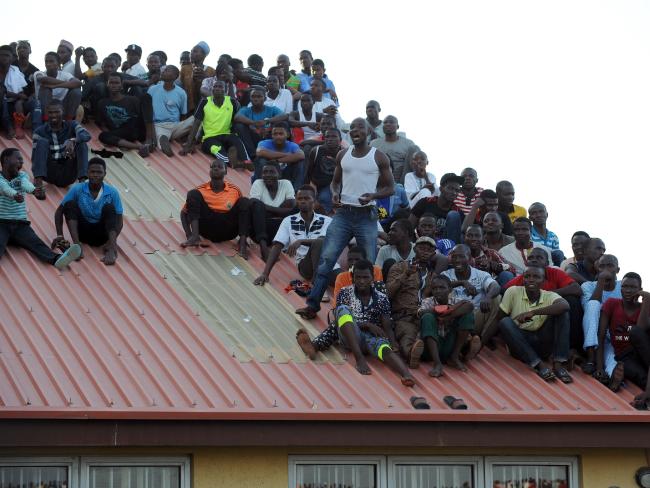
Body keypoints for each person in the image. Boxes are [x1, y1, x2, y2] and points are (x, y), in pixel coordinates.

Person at [295, 117, 394, 319]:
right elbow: (335, 182)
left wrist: (373, 196)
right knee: (326, 259)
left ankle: (371, 312)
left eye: (360, 127)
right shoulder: (343, 154)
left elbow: (390, 187)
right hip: (344, 214)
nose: (356, 130)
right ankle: (312, 306)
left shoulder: (379, 157)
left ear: (368, 132)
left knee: (369, 265)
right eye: (353, 128)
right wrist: (334, 193)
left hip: (367, 215)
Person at [0, 148, 80, 268]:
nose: (21, 163)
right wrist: (15, 194)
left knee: (37, 244)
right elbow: (4, 188)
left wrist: (34, 190)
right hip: (1, 223)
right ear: (6, 159)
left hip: (20, 225)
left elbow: (25, 184)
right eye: (18, 159)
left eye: (22, 160)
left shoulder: (22, 176)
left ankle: (57, 259)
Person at [498, 265, 573, 383]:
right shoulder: (513, 291)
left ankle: (558, 364)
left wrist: (533, 312)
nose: (531, 279)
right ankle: (539, 366)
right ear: (523, 279)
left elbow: (565, 306)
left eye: (536, 277)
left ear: (543, 281)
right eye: (527, 276)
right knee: (505, 322)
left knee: (563, 313)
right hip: (520, 345)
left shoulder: (548, 295)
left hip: (543, 343)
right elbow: (500, 319)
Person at [254, 184, 338, 286]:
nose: (302, 201)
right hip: (306, 266)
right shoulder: (288, 221)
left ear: (314, 201)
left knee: (348, 281)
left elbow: (326, 241)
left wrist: (301, 241)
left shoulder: (327, 221)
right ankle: (317, 285)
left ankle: (321, 281)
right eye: (299, 199)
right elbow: (277, 246)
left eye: (307, 198)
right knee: (318, 243)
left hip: (329, 264)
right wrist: (265, 274)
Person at [503, 247, 583, 350]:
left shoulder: (555, 273)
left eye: (539, 257)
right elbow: (504, 291)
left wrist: (548, 295)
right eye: (531, 257)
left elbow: (577, 289)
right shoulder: (523, 277)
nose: (534, 260)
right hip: (526, 323)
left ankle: (571, 348)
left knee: (572, 301)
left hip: (550, 322)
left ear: (547, 263)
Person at [52, 158, 123, 265]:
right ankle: (77, 247)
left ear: (105, 174)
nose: (95, 175)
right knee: (69, 204)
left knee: (110, 208)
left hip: (102, 235)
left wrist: (110, 244)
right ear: (87, 172)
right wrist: (60, 236)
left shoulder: (112, 192)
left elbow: (119, 221)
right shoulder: (77, 189)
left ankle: (112, 251)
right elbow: (59, 212)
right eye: (92, 171)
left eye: (99, 172)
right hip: (83, 233)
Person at [180, 159, 252, 258]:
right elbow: (184, 213)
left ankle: (243, 244)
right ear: (209, 171)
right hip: (207, 228)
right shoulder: (200, 190)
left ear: (226, 171)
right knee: (192, 193)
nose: (216, 169)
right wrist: (189, 234)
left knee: (245, 201)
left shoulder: (234, 190)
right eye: (213, 167)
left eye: (219, 167)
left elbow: (243, 213)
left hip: (228, 229)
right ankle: (195, 237)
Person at [386, 236, 439, 368]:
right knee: (407, 336)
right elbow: (388, 293)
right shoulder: (399, 267)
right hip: (404, 316)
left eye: (429, 250)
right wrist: (406, 274)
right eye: (422, 248)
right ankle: (411, 355)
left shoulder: (433, 275)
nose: (425, 252)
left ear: (433, 253)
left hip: (425, 315)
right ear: (415, 249)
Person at [596, 273, 650, 392]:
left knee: (635, 331)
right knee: (641, 378)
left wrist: (647, 301)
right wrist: (599, 367)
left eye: (633, 287)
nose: (628, 290)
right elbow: (601, 336)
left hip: (643, 352)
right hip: (624, 356)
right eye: (625, 286)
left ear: (640, 290)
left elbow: (639, 332)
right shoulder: (612, 304)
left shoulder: (644, 307)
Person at [442, 244, 502, 349]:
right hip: (453, 318)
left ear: (469, 259)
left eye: (461, 256)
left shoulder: (480, 275)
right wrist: (462, 282)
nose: (457, 260)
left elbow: (495, 286)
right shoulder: (446, 275)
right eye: (454, 256)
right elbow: (439, 286)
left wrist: (488, 297)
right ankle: (468, 342)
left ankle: (482, 339)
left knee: (496, 298)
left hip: (475, 318)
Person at [181, 80, 249, 168]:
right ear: (212, 89)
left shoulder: (233, 103)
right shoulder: (205, 102)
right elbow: (196, 124)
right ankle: (230, 161)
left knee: (237, 141)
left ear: (225, 90)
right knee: (217, 149)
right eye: (215, 86)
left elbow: (236, 121)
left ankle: (246, 161)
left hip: (227, 134)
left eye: (220, 87)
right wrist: (189, 144)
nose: (217, 88)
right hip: (209, 137)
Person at [418, 275, 476, 376]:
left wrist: (449, 315)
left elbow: (469, 306)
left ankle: (455, 356)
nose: (438, 291)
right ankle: (437, 363)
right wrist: (437, 311)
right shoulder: (427, 301)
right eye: (435, 288)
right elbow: (421, 312)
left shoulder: (455, 300)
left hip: (449, 345)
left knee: (468, 315)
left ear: (450, 289)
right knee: (427, 317)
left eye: (442, 288)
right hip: (432, 348)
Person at [32, 100, 90, 190]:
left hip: (68, 172)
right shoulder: (39, 131)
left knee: (82, 144)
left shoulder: (72, 125)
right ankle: (38, 182)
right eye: (50, 112)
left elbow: (86, 135)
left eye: (57, 112)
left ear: (63, 111)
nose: (54, 115)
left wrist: (73, 140)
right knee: (42, 142)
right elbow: (34, 158)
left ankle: (83, 182)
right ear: (47, 113)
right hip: (49, 173)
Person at [581, 254, 622, 375]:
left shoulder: (623, 286)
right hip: (594, 332)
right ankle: (591, 358)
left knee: (613, 366)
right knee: (593, 304)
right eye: (601, 266)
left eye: (610, 266)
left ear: (617, 270)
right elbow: (589, 310)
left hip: (614, 334)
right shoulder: (587, 286)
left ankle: (608, 377)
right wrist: (600, 282)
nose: (605, 270)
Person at [96, 73, 155, 157]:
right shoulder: (102, 103)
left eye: (117, 83)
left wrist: (150, 135)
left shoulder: (132, 100)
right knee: (103, 136)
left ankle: (149, 141)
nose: (114, 85)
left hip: (136, 129)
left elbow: (144, 118)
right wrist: (112, 137)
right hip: (121, 132)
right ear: (107, 85)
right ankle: (139, 147)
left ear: (121, 85)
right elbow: (102, 124)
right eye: (111, 83)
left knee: (146, 97)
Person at [248, 162, 296, 260]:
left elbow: (292, 205)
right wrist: (280, 211)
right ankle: (263, 248)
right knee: (255, 205)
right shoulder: (258, 183)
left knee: (299, 207)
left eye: (272, 172)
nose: (268, 175)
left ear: (279, 174)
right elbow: (254, 203)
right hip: (258, 231)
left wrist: (264, 210)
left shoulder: (286, 183)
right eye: (265, 172)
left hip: (278, 230)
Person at [148, 65, 192, 157]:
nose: (163, 71)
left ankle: (191, 142)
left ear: (175, 76)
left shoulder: (181, 92)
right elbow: (147, 110)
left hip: (176, 125)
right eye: (164, 70)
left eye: (167, 70)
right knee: (161, 137)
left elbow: (183, 114)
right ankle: (165, 144)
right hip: (159, 125)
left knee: (196, 119)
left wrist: (182, 128)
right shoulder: (152, 89)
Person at [234, 87, 288, 160]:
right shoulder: (245, 109)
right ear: (250, 98)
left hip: (268, 136)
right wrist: (254, 123)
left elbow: (284, 116)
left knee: (282, 123)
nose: (256, 99)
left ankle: (277, 153)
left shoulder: (271, 109)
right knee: (239, 126)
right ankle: (253, 156)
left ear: (265, 99)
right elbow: (237, 117)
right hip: (253, 138)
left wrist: (268, 121)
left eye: (259, 96)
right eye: (253, 97)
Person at [409, 172, 464, 244]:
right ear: (441, 189)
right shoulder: (425, 202)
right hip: (422, 242)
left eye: (457, 190)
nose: (454, 193)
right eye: (450, 188)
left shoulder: (457, 211)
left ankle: (450, 252)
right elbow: (409, 226)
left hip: (445, 246)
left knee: (454, 215)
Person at [253, 122, 305, 189]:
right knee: (260, 160)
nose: (278, 136)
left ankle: (296, 190)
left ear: (288, 134)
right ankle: (260, 188)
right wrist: (287, 155)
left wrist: (277, 161)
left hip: (285, 174)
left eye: (281, 134)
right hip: (268, 175)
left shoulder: (292, 145)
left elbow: (301, 155)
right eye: (275, 134)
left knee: (300, 162)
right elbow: (260, 152)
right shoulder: (264, 143)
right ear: (272, 135)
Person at [33, 52, 82, 122]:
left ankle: (69, 120)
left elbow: (78, 83)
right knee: (46, 89)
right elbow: (45, 79)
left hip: (62, 105)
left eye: (51, 61)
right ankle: (46, 121)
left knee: (76, 92)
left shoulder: (65, 74)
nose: (48, 64)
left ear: (58, 63)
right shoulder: (40, 73)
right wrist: (68, 84)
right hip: (46, 107)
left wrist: (56, 85)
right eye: (46, 61)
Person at [369, 115, 419, 183]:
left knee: (414, 149)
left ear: (397, 126)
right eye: (385, 122)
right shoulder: (374, 143)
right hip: (381, 177)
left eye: (391, 122)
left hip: (402, 178)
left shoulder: (408, 143)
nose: (388, 124)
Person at [306, 127, 342, 213]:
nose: (330, 139)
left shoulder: (344, 153)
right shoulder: (316, 151)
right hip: (317, 185)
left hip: (335, 185)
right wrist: (310, 188)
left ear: (340, 139)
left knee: (325, 198)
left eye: (334, 136)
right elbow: (308, 173)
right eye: (327, 137)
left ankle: (328, 217)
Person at [1, 44, 29, 139]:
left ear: (12, 58)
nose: (4, 58)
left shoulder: (15, 70)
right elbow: (3, 91)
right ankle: (9, 127)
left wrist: (18, 97)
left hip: (11, 105)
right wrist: (16, 95)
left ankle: (17, 127)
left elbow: (22, 93)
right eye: (1, 55)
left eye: (7, 55)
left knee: (19, 103)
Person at [179, 42, 214, 114]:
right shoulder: (184, 69)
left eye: (195, 51)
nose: (191, 54)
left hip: (206, 109)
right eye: (191, 51)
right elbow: (180, 87)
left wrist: (205, 78)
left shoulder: (211, 71)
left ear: (204, 55)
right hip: (187, 109)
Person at [528, 202, 565, 266]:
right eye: (534, 213)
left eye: (541, 211)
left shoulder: (553, 236)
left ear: (547, 214)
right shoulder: (528, 234)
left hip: (550, 264)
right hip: (533, 263)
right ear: (530, 218)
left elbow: (557, 255)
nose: (538, 215)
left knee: (559, 253)